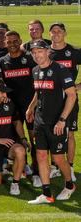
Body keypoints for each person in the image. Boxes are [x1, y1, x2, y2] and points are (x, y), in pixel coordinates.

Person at [26, 40, 77, 204]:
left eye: (39, 51)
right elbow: (39, 92)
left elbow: (71, 95)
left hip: (57, 122)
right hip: (40, 121)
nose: (36, 55)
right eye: (33, 52)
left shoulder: (60, 70)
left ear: (48, 52)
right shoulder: (35, 70)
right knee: (41, 155)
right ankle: (46, 194)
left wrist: (62, 120)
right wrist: (30, 108)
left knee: (58, 158)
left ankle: (69, 185)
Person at [0, 31, 37, 181]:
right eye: (9, 42)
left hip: (30, 107)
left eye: (15, 41)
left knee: (34, 139)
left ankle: (36, 166)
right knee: (18, 138)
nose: (12, 44)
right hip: (13, 108)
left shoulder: (29, 58)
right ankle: (23, 165)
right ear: (5, 43)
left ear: (20, 41)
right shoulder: (2, 61)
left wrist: (34, 104)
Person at [48, 22, 80, 180]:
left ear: (65, 33)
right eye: (53, 31)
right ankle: (54, 166)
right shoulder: (46, 53)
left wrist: (78, 86)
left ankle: (70, 166)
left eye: (59, 31)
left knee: (70, 134)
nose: (56, 34)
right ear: (49, 34)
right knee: (52, 133)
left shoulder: (74, 51)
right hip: (50, 100)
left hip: (70, 98)